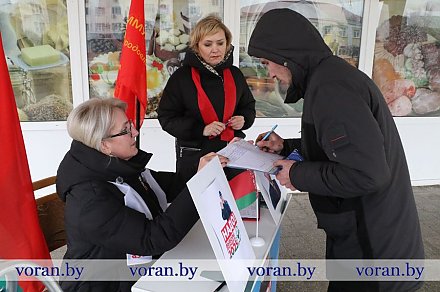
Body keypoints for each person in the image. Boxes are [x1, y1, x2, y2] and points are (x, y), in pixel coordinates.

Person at [249, 9, 424, 292]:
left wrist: (298, 174)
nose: (269, 72)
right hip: (369, 237)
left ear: (286, 56)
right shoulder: (330, 77)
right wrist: (286, 148)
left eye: (267, 62)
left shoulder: (332, 89)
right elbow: (342, 148)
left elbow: (367, 174)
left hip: (374, 253)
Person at [56, 98, 228, 292]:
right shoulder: (89, 199)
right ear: (105, 145)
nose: (135, 132)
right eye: (126, 129)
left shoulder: (113, 166)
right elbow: (153, 238)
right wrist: (201, 182)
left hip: (133, 273)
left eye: (131, 125)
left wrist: (228, 157)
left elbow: (172, 185)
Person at [157, 15, 256, 182]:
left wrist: (244, 119)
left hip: (231, 153)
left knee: (232, 203)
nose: (215, 49)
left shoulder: (235, 74)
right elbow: (167, 118)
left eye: (220, 43)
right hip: (195, 155)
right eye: (208, 44)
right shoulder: (182, 77)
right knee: (194, 206)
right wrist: (201, 129)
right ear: (197, 47)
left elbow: (248, 106)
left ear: (227, 43)